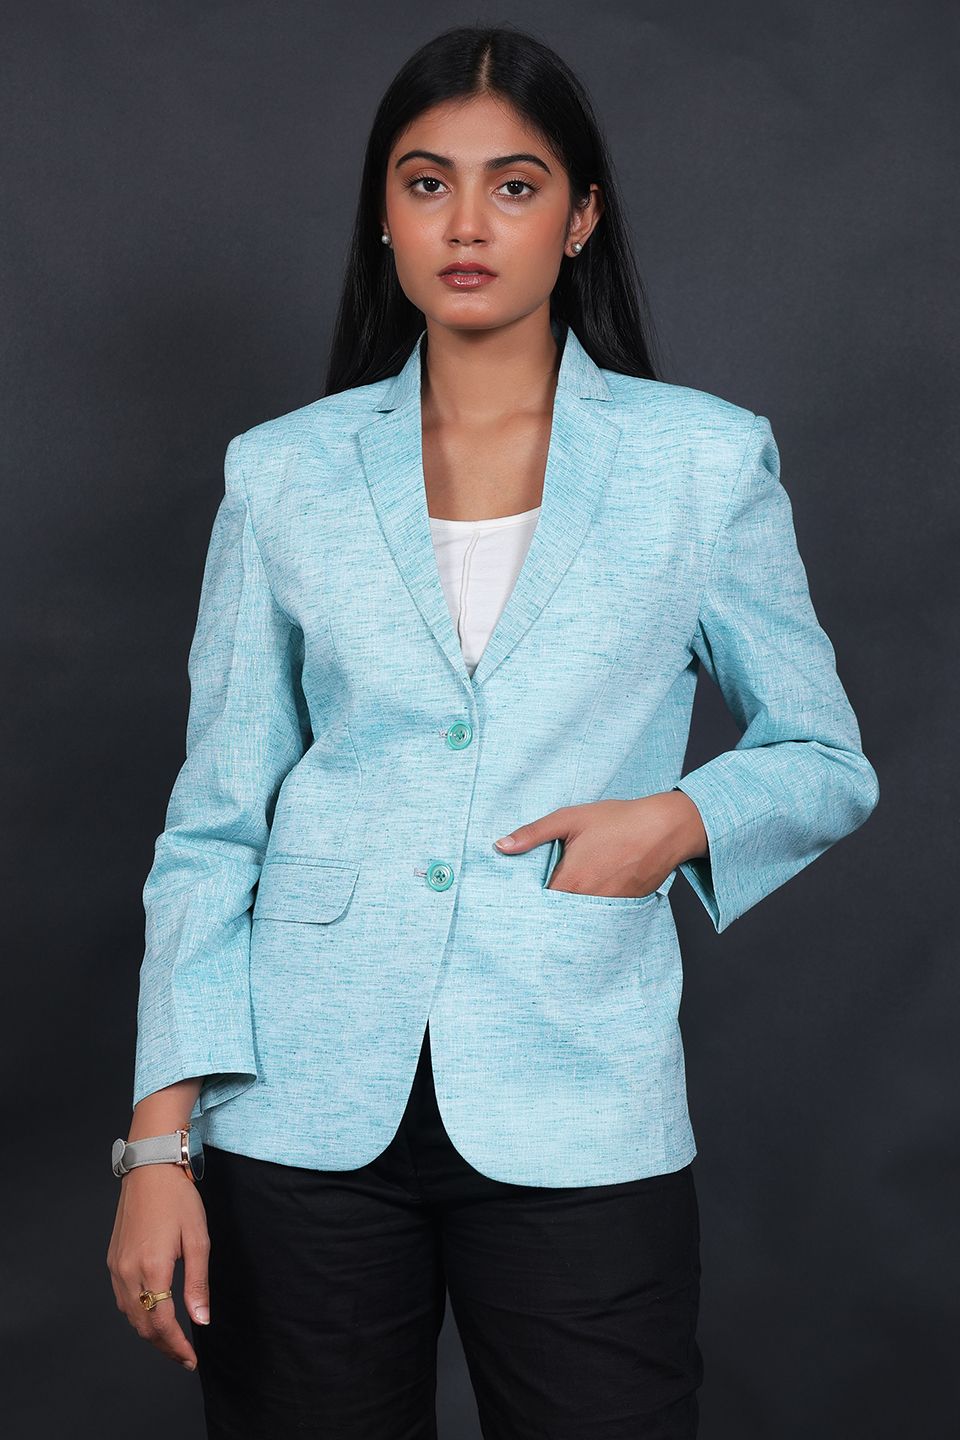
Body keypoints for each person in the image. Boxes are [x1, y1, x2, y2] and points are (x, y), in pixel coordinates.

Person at [106, 23, 879, 1439]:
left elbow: (825, 757)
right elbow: (213, 827)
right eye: (427, 183)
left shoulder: (702, 463)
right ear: (384, 217)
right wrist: (158, 1146)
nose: (467, 224)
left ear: (580, 217)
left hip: (579, 1093)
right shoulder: (283, 476)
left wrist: (680, 821)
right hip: (298, 1106)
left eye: (515, 186)